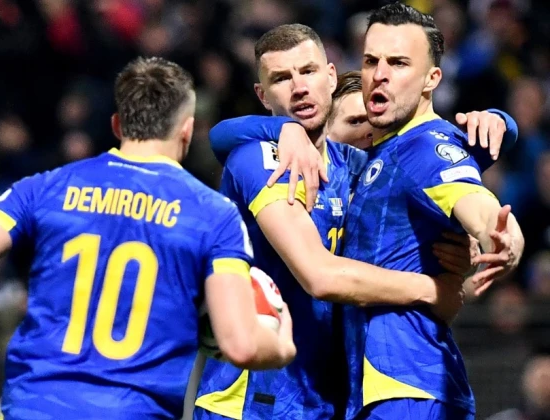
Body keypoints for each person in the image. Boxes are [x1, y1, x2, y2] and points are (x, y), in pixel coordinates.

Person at [0, 57, 297, 420]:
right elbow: (241, 345)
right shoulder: (214, 216)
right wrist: (283, 344)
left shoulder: (44, 188)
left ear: (117, 125)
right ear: (187, 131)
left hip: (34, 408)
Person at [193, 24, 516, 420]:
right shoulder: (260, 159)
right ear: (262, 96)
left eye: (308, 71)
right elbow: (321, 276)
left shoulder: (358, 169)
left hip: (327, 399)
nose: (299, 87)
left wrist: (500, 122)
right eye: (281, 78)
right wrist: (432, 290)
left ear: (330, 76)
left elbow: (429, 164)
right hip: (252, 399)